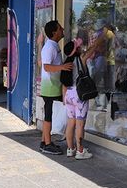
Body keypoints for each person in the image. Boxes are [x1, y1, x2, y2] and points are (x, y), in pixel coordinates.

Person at [39, 20, 73, 155]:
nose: (62, 29)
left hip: (53, 87)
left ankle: (44, 141)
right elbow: (46, 66)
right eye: (60, 28)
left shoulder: (53, 46)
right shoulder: (49, 47)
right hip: (50, 88)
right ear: (54, 32)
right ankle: (47, 144)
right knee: (48, 116)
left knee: (49, 115)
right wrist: (62, 67)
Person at [61, 39, 96, 159]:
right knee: (80, 124)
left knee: (71, 123)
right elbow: (93, 49)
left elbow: (64, 84)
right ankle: (80, 151)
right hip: (79, 95)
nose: (80, 48)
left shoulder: (66, 62)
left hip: (68, 95)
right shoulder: (80, 59)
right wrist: (102, 37)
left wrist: (64, 99)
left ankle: (70, 149)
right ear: (76, 50)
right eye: (78, 47)